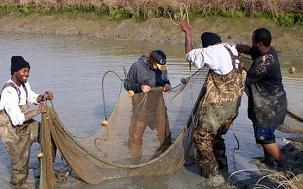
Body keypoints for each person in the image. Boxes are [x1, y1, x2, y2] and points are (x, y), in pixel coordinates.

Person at [180, 20, 246, 178]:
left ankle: (213, 176)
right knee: (215, 136)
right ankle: (223, 169)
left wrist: (188, 33)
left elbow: (189, 55)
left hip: (218, 108)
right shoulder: (231, 49)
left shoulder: (212, 51)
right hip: (233, 108)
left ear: (206, 45)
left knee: (200, 136)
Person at [0, 56, 54, 188]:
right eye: (24, 71)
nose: (27, 74)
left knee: (49, 137)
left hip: (26, 125)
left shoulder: (24, 84)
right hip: (12, 132)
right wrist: (37, 111)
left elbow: (30, 97)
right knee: (20, 172)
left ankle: (45, 172)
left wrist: (43, 97)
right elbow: (16, 119)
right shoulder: (9, 91)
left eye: (28, 71)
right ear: (15, 72)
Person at [236, 28, 287, 168]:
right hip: (267, 104)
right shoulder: (267, 50)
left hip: (270, 107)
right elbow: (250, 50)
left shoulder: (265, 62)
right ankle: (269, 162)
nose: (251, 43)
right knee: (264, 136)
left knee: (265, 138)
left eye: (253, 41)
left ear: (260, 43)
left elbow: (246, 80)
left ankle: (283, 166)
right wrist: (232, 47)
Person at [124, 50, 172, 156]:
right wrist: (140, 87)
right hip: (141, 106)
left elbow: (165, 80)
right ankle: (135, 159)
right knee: (135, 137)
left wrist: (167, 84)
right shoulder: (136, 66)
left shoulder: (162, 67)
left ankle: (165, 156)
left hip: (158, 105)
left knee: (165, 135)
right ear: (151, 61)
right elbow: (127, 84)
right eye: (158, 66)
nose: (161, 69)